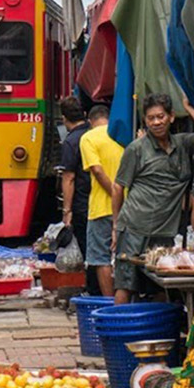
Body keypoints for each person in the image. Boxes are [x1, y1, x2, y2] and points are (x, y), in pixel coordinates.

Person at [110, 93, 194, 304]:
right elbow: (117, 187)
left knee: (161, 286)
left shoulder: (182, 144)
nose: (156, 122)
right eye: (151, 118)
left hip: (165, 232)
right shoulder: (137, 149)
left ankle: (156, 334)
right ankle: (117, 334)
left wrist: (189, 109)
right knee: (125, 285)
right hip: (134, 228)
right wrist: (116, 226)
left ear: (171, 117)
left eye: (160, 116)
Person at [80, 104, 124, 297]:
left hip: (100, 208)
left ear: (90, 121)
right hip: (127, 207)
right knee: (125, 257)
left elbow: (97, 170)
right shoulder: (122, 134)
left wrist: (114, 194)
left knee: (101, 259)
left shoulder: (88, 137)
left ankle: (109, 304)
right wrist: (121, 198)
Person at [57, 97, 92, 280]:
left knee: (87, 248)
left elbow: (69, 177)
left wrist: (67, 210)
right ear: (84, 114)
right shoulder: (93, 134)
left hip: (81, 202)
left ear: (64, 119)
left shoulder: (71, 141)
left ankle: (92, 287)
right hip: (99, 200)